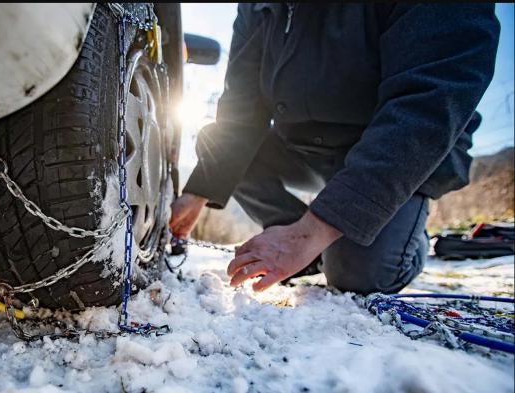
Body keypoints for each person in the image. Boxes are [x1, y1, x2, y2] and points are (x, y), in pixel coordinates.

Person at [169, 4, 500, 294]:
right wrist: (199, 190)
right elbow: (241, 108)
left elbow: (430, 103)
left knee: (358, 274)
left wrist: (311, 233)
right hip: (305, 148)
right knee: (215, 140)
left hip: (397, 150)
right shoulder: (257, 7)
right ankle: (304, 240)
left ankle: (399, 232)